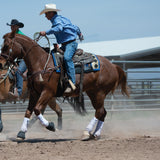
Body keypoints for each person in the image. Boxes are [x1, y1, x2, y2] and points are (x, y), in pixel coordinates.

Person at [39, 4, 84, 93]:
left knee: (67, 58)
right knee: (51, 55)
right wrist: (80, 34)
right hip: (66, 44)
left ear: (51, 13)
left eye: (46, 13)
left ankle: (72, 83)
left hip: (70, 44)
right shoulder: (62, 19)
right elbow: (74, 27)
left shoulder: (57, 20)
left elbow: (59, 28)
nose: (45, 16)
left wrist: (46, 32)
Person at [7, 19, 27, 98]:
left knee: (18, 71)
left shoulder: (21, 36)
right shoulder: (11, 36)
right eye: (11, 26)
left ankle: (18, 92)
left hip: (24, 58)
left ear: (17, 27)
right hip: (16, 59)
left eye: (13, 26)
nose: (12, 27)